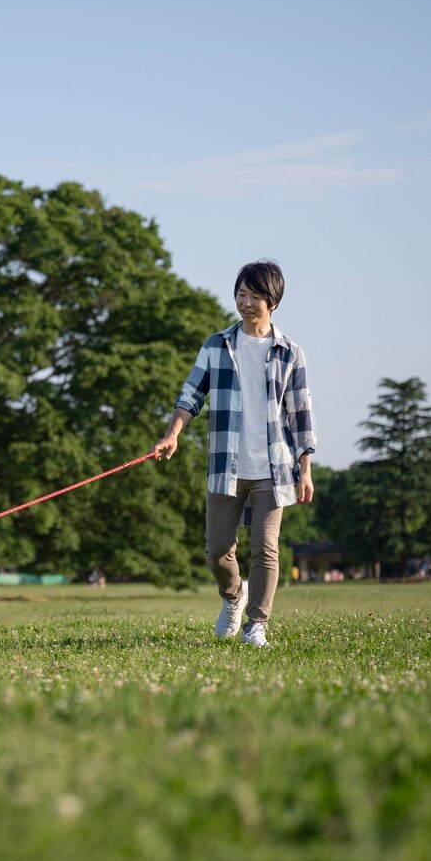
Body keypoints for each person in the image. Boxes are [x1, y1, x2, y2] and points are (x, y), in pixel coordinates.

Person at [152, 259, 316, 648]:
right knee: (218, 551)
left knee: (266, 548)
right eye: (241, 294)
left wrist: (305, 469)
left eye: (255, 296)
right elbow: (190, 394)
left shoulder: (290, 353)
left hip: (274, 468)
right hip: (226, 466)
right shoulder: (217, 345)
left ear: (272, 301)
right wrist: (172, 434)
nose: (246, 303)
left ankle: (256, 624)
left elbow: (301, 414)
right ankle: (233, 597)